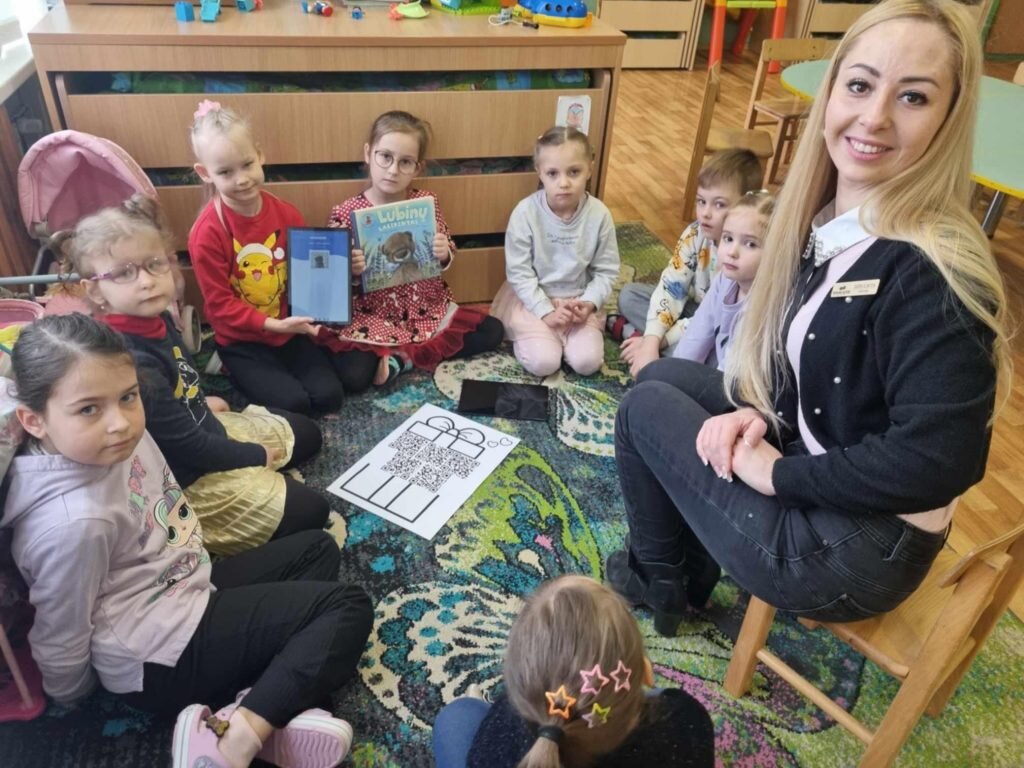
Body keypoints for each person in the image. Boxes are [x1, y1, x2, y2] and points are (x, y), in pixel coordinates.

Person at [607, 0, 1010, 639]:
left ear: (948, 118)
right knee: (663, 380)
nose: (874, 117)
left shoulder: (932, 270)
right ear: (832, 92)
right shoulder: (831, 224)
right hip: (823, 464)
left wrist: (776, 473)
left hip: (851, 548)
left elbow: (940, 460)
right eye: (860, 85)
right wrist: (759, 414)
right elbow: (825, 370)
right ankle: (682, 571)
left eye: (913, 97)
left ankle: (660, 577)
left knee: (641, 411)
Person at [1, 313, 374, 768]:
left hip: (184, 585)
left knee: (317, 548)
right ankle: (233, 744)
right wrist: (75, 698)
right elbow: (61, 624)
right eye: (88, 409)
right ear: (34, 421)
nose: (120, 422)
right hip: (155, 657)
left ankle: (250, 708)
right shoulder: (73, 523)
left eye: (128, 397)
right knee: (346, 606)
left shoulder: (114, 441)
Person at [65, 194, 330, 556]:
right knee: (311, 511)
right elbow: (187, 448)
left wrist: (202, 401)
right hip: (184, 476)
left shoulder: (154, 315)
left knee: (307, 433)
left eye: (154, 264)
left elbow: (181, 373)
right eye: (124, 273)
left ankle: (250, 469)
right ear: (95, 290)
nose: (146, 282)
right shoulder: (130, 361)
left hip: (202, 427)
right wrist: (252, 456)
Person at [188, 100, 379, 413]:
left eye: (247, 164)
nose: (241, 179)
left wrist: (343, 270)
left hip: (289, 331)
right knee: (294, 404)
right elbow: (220, 306)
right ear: (204, 173)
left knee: (329, 397)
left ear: (260, 155)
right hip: (241, 341)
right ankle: (226, 364)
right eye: (225, 172)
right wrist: (274, 326)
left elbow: (307, 275)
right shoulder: (206, 233)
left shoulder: (286, 214)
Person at [431, 575, 714, 768]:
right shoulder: (684, 721)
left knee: (457, 715)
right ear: (643, 672)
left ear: (518, 686)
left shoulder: (500, 734)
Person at [320, 110, 504, 386]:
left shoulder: (426, 202)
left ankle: (403, 359)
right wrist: (351, 270)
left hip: (425, 309)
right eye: (385, 157)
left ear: (418, 168)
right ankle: (399, 354)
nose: (393, 170)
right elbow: (333, 280)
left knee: (492, 331)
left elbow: (445, 245)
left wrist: (443, 253)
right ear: (368, 153)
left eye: (405, 162)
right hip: (374, 314)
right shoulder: (346, 212)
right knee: (354, 377)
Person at [611, 149, 762, 378]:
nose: (705, 213)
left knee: (714, 357)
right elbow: (672, 286)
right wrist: (652, 340)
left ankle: (641, 342)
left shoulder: (744, 254)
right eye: (701, 201)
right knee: (630, 296)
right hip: (692, 311)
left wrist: (660, 342)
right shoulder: (695, 233)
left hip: (721, 329)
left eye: (719, 204)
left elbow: (710, 322)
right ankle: (651, 347)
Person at [491, 127, 620, 378]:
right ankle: (541, 340)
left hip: (579, 304)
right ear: (539, 172)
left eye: (574, 172)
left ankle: (567, 341)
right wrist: (546, 311)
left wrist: (589, 302)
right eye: (553, 173)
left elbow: (607, 270)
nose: (564, 183)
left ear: (590, 169)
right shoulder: (525, 213)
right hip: (534, 301)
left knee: (587, 363)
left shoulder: (600, 214)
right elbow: (519, 271)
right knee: (544, 363)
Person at [671, 192, 774, 371]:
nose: (732, 252)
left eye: (750, 244)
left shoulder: (764, 304)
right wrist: (675, 372)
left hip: (735, 379)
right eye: (728, 238)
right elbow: (697, 334)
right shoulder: (725, 279)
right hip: (716, 358)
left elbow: (731, 378)